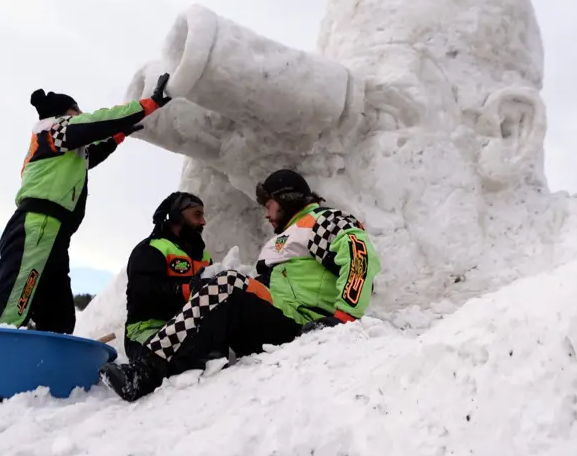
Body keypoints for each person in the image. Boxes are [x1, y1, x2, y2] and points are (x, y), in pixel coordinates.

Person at [99, 168, 381, 402]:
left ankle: (145, 372)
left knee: (227, 283)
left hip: (304, 320)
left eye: (269, 206)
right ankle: (183, 363)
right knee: (225, 286)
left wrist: (345, 315)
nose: (266, 215)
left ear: (287, 199)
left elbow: (358, 252)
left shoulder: (319, 221)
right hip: (278, 317)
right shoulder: (285, 237)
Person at [0, 73, 172, 334]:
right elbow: (96, 123)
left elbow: (93, 152)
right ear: (65, 112)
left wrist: (120, 134)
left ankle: (55, 353)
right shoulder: (53, 130)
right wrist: (149, 104)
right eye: (76, 110)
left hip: (54, 235)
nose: (81, 114)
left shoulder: (65, 150)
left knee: (58, 318)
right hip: (37, 227)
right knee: (12, 307)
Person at [123, 191, 213, 349]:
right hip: (148, 332)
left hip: (190, 330)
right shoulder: (151, 249)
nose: (203, 222)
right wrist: (186, 290)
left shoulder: (204, 256)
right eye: (197, 215)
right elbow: (143, 294)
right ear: (177, 216)